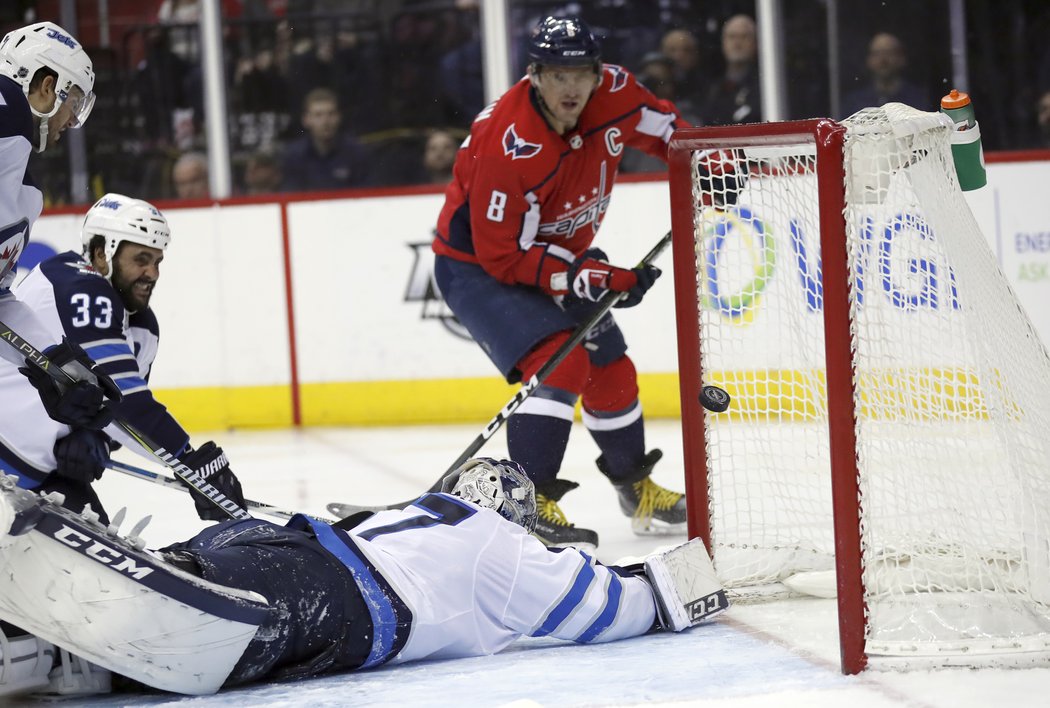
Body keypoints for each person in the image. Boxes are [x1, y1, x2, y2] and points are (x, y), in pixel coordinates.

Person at [0, 457, 727, 697]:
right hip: (343, 599)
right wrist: (689, 583)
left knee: (215, 569)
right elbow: (611, 608)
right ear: (512, 515)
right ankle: (145, 592)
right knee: (253, 631)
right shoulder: (503, 548)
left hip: (291, 538)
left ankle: (106, 602)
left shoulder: (416, 512)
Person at [431, 16, 691, 549]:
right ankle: (530, 504)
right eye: (557, 74)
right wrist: (592, 276)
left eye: (582, 73)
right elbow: (503, 257)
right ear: (534, 75)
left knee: (611, 368)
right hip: (478, 268)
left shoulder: (615, 93)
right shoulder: (510, 143)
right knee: (561, 360)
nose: (571, 87)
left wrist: (705, 164)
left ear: (599, 74)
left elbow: (670, 133)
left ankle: (636, 487)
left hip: (557, 253)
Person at [0, 192, 246, 527]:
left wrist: (97, 438)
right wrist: (190, 463)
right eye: (141, 259)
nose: (152, 273)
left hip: (41, 476)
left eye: (157, 261)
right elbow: (126, 401)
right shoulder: (77, 283)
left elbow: (115, 415)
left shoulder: (143, 327)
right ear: (102, 254)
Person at [0, 22, 117, 433]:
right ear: (47, 86)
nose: (72, 121)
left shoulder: (25, 197)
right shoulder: (8, 105)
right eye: (75, 102)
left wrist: (51, 360)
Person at [280, 87, 371, 192]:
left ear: (339, 117)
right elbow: (292, 197)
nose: (325, 121)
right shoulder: (293, 155)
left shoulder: (356, 152)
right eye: (318, 115)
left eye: (331, 114)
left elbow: (364, 198)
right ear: (306, 120)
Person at [841, 32, 929, 118]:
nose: (883, 60)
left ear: (902, 58)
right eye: (877, 53)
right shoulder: (855, 102)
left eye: (889, 53)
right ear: (869, 60)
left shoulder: (918, 99)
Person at [702, 14, 761, 125]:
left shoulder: (766, 85)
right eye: (732, 37)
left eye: (744, 37)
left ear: (756, 43)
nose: (737, 43)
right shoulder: (711, 88)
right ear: (723, 43)